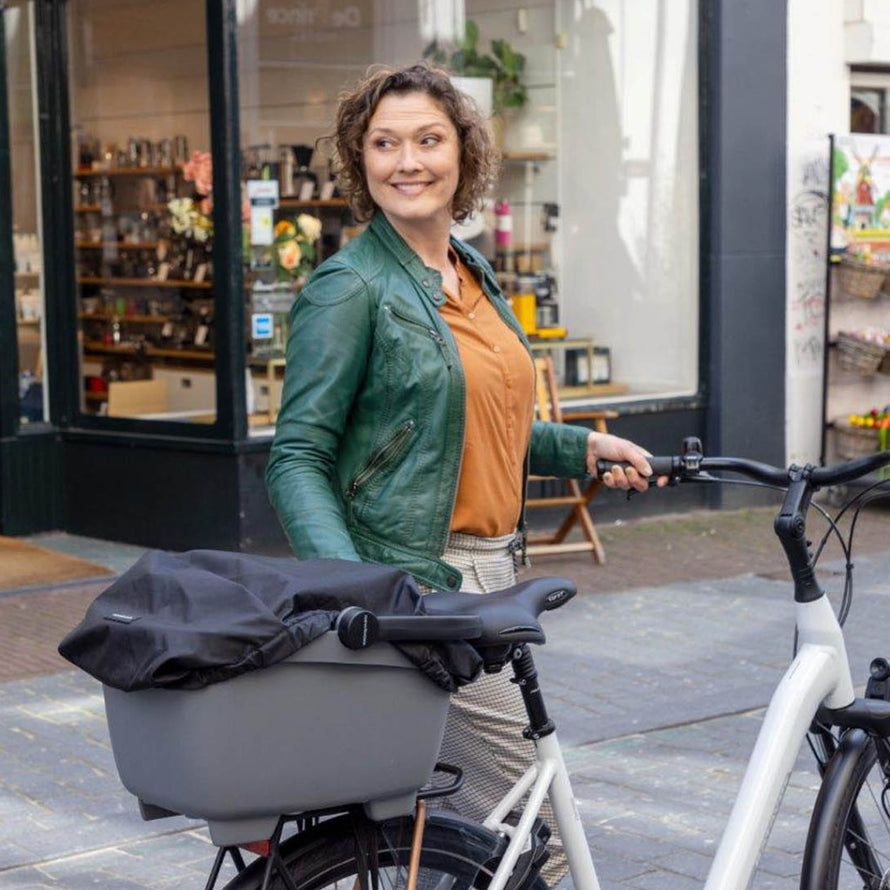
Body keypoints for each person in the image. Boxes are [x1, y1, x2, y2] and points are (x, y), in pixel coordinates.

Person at [266, 61, 664, 882]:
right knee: (535, 837)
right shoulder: (350, 288)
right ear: (359, 158)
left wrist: (583, 448)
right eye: (384, 143)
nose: (406, 161)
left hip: (493, 571)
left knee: (457, 839)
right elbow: (297, 456)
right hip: (421, 582)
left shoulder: (468, 271)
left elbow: (477, 420)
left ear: (464, 157)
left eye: (427, 140)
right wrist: (359, 592)